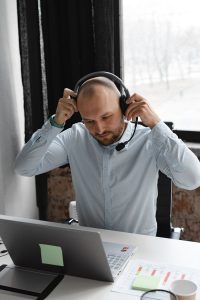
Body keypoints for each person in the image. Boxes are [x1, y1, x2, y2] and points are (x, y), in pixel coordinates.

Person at [15, 75, 200, 236]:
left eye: (106, 117)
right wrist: (55, 123)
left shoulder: (150, 140)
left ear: (124, 108)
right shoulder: (75, 136)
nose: (99, 129)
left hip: (140, 247)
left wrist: (156, 125)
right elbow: (24, 167)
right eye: (89, 121)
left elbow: (193, 179)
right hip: (91, 246)